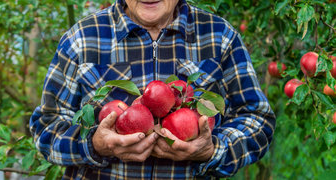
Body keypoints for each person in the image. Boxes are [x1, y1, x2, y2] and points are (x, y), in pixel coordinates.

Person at [29, 0, 276, 179]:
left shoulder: (219, 36)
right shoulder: (82, 38)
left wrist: (213, 150)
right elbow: (46, 128)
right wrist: (94, 145)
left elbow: (258, 121)